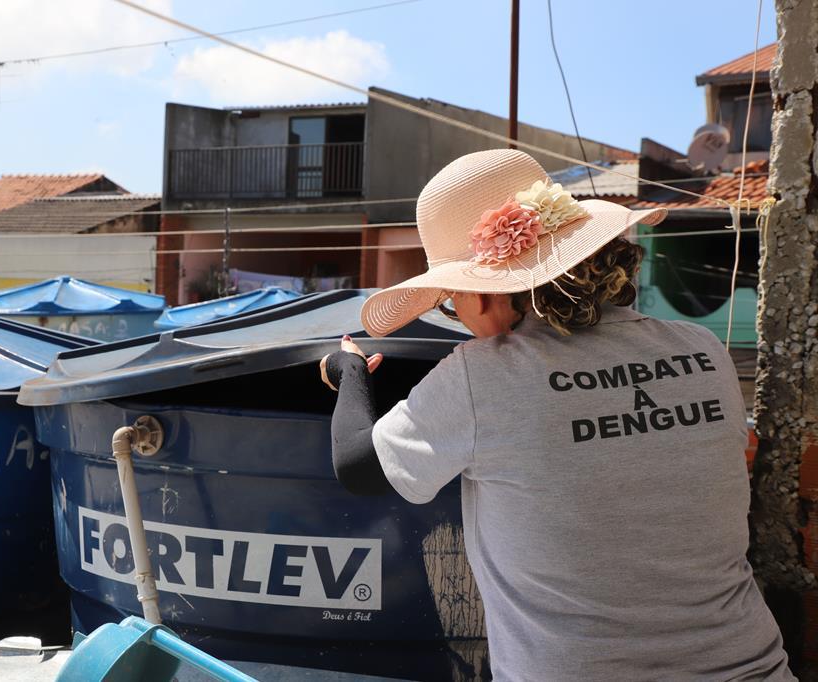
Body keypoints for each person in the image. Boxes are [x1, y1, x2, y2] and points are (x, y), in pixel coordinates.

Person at [319, 150, 794, 681]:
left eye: (450, 301)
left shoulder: (484, 374)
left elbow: (356, 465)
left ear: (483, 292)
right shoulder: (704, 348)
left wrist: (351, 371)